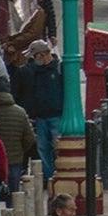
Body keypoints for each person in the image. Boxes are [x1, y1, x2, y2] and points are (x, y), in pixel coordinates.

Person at [14, 40, 65, 184]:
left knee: (56, 147)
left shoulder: (58, 70)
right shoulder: (33, 71)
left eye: (33, 56)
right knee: (43, 148)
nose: (31, 60)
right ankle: (49, 178)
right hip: (41, 116)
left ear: (42, 55)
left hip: (55, 115)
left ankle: (55, 175)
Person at [0, 79, 39, 194]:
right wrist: (21, 150)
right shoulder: (20, 112)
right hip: (15, 158)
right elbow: (30, 137)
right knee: (14, 194)